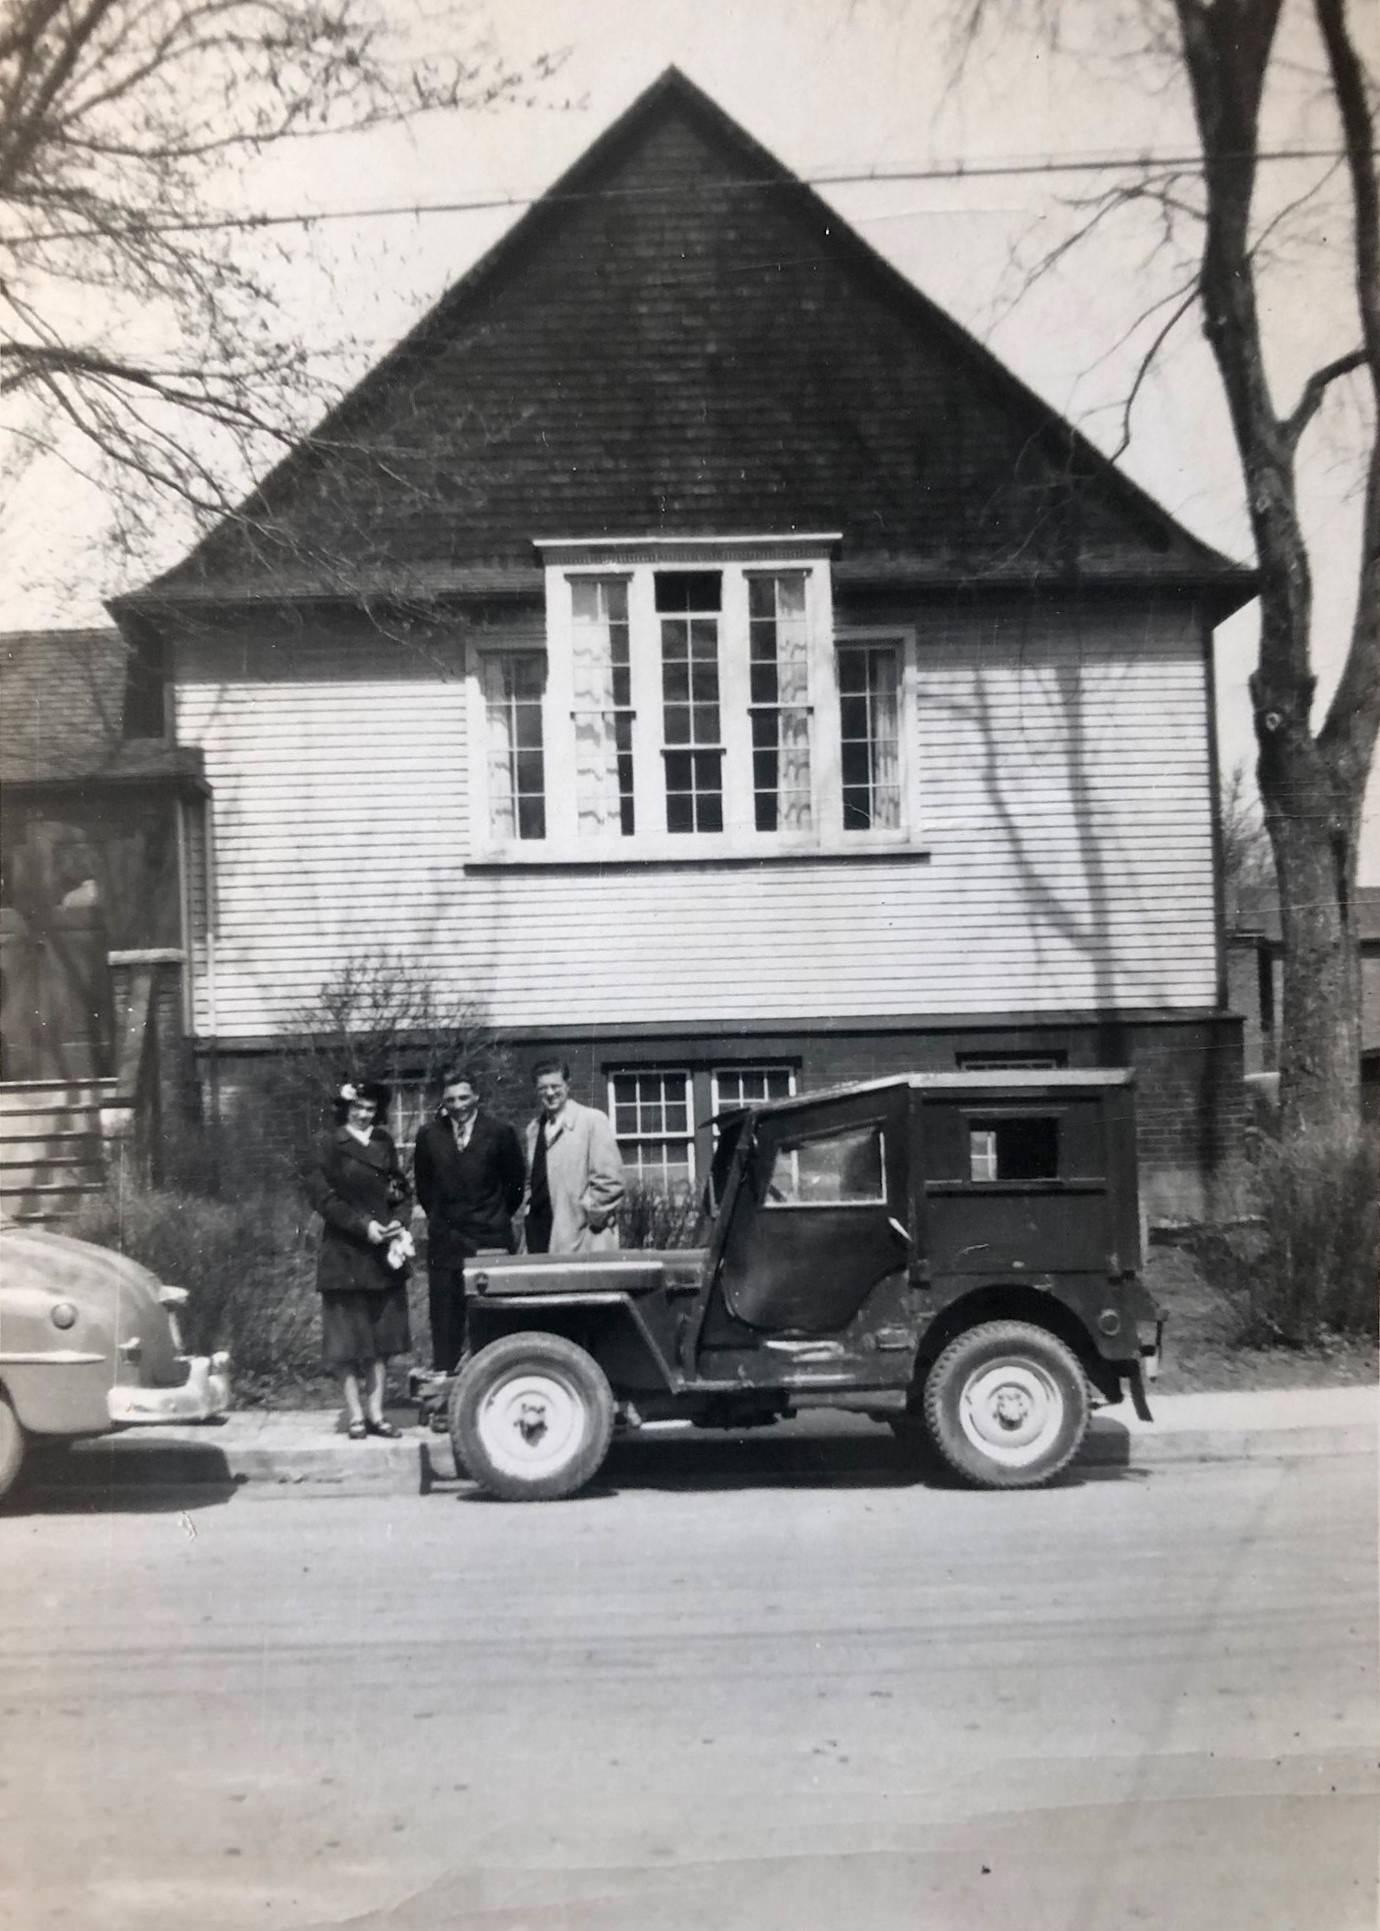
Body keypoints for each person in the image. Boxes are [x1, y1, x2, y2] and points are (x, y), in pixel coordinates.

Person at [303, 1079, 413, 1440]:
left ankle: (377, 1414)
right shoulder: (328, 1144)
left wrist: (400, 1220)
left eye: (370, 1109)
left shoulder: (383, 1143)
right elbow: (324, 1199)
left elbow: (400, 1190)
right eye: (358, 1108)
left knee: (381, 1341)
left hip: (382, 1256)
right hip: (345, 1255)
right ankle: (354, 1416)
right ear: (346, 1108)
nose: (365, 1114)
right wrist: (363, 1226)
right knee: (347, 1343)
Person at [413, 1068, 525, 1373]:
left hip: (489, 1240)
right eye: (451, 1099)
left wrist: (492, 1216)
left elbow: (514, 1186)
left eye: (464, 1097)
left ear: (476, 1096)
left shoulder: (500, 1132)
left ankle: (493, 1383)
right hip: (446, 1242)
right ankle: (445, 1387)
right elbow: (424, 1187)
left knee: (491, 1317)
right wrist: (442, 1218)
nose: (458, 1104)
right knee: (445, 1319)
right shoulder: (428, 1135)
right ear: (443, 1101)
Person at [522, 1060, 626, 1254]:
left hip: (584, 1239)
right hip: (540, 1235)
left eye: (555, 1086)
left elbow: (611, 1181)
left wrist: (587, 1216)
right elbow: (532, 1182)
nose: (550, 1093)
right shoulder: (534, 1130)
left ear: (567, 1084)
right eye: (543, 1088)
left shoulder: (592, 1121)